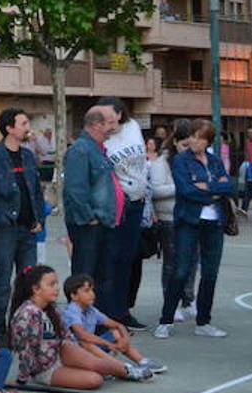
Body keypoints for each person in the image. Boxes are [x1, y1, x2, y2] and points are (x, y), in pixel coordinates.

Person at [8, 266, 152, 389]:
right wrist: (22, 379)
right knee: (95, 380)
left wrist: (79, 355)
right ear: (36, 289)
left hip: (62, 352)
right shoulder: (29, 314)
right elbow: (26, 349)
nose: (57, 289)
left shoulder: (52, 309)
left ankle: (129, 371)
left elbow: (67, 336)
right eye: (51, 285)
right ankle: (117, 370)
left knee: (87, 358)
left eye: (56, 284)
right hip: (44, 368)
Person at [155, 118, 235, 339]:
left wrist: (208, 187)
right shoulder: (181, 160)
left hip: (214, 222)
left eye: (199, 137)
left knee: (210, 272)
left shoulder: (215, 161)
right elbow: (185, 190)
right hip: (189, 221)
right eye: (192, 135)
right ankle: (166, 319)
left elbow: (230, 185)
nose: (193, 140)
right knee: (180, 270)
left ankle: (204, 321)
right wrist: (214, 191)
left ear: (208, 141)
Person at [0, 107, 45, 343]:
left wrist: (39, 220)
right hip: (5, 229)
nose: (28, 128)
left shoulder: (28, 156)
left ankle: (21, 327)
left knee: (27, 281)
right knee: (3, 279)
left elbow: (36, 191)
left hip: (29, 229)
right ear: (9, 128)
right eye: (23, 123)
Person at [62, 107, 118, 319]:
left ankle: (95, 322)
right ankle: (78, 323)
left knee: (100, 277)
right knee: (84, 277)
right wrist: (89, 217)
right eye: (109, 123)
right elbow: (75, 189)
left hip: (101, 223)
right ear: (96, 125)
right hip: (88, 226)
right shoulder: (81, 150)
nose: (112, 128)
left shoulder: (96, 149)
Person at [99, 98, 148, 330]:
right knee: (114, 260)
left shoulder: (133, 128)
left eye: (109, 116)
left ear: (120, 114)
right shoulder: (103, 138)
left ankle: (124, 309)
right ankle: (112, 313)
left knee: (131, 258)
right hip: (120, 203)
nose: (106, 122)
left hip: (139, 201)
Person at [63, 274, 165, 373]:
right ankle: (120, 368)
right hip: (74, 353)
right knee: (85, 342)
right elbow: (83, 335)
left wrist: (125, 339)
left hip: (90, 350)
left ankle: (142, 361)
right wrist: (109, 344)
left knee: (116, 333)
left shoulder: (91, 310)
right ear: (74, 296)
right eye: (86, 291)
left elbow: (118, 325)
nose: (92, 294)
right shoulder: (71, 311)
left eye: (92, 290)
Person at [147, 119, 195, 323]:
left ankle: (188, 298)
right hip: (169, 217)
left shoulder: (195, 160)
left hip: (191, 216)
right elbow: (156, 190)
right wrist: (183, 187)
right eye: (184, 145)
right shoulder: (161, 163)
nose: (188, 149)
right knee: (172, 262)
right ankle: (171, 301)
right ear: (174, 142)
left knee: (192, 260)